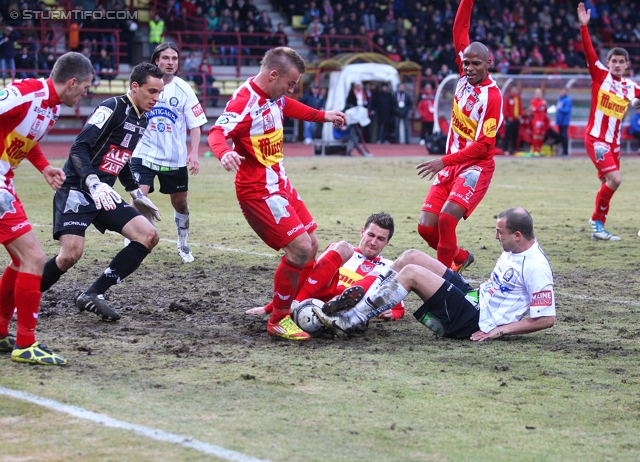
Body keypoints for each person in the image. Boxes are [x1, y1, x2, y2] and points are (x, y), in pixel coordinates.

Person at [207, 47, 347, 341]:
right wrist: (223, 153)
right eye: (291, 83)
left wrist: (323, 116)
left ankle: (280, 303)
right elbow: (217, 132)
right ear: (273, 75)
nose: (292, 90)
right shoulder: (244, 102)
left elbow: (289, 106)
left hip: (280, 184)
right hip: (258, 192)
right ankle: (279, 320)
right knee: (298, 248)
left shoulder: (274, 96)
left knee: (311, 245)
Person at [314, 207, 556, 342]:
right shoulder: (514, 248)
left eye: (499, 232)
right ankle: (361, 300)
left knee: (411, 273)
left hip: (476, 321)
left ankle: (350, 320)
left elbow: (546, 319)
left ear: (517, 235)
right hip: (475, 299)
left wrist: (501, 330)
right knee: (411, 256)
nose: (496, 237)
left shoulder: (535, 266)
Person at [39, 63, 165, 322]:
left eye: (159, 93)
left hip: (104, 193)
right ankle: (18, 297)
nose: (156, 98)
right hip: (78, 188)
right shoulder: (112, 108)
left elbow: (121, 158)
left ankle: (94, 293)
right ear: (134, 87)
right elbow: (78, 148)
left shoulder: (143, 117)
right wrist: (92, 182)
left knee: (148, 235)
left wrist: (136, 193)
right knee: (70, 255)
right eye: (152, 91)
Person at [0, 52, 95, 366]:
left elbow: (23, 138)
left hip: (6, 180)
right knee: (35, 259)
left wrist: (43, 167)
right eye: (84, 87)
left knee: (20, 259)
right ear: (71, 82)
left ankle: (1, 331)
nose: (85, 93)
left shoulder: (51, 108)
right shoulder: (26, 93)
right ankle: (26, 343)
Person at [415, 0, 504, 274]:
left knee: (445, 220)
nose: (469, 67)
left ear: (489, 63)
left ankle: (441, 284)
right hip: (452, 163)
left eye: (476, 63)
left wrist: (444, 161)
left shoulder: (493, 97)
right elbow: (459, 28)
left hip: (475, 167)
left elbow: (483, 147)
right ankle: (461, 256)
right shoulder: (463, 79)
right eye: (465, 62)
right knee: (425, 226)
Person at [245, 212, 404, 321]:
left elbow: (398, 307)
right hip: (320, 294)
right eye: (371, 235)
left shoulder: (387, 265)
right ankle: (294, 305)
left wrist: (395, 313)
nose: (373, 242)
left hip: (353, 305)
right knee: (341, 246)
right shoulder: (340, 252)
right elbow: (307, 277)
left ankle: (311, 306)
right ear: (362, 232)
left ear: (387, 242)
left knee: (385, 271)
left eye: (380, 239)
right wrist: (269, 307)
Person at [130, 43, 208, 263]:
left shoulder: (184, 89)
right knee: (137, 198)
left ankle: (183, 244)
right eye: (165, 58)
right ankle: (132, 243)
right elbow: (128, 115)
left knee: (180, 203)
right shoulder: (143, 85)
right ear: (157, 60)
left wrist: (193, 154)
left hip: (174, 158)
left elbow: (195, 125)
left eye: (174, 58)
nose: (170, 62)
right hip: (144, 154)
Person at [577, 3, 640, 241]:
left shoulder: (632, 87)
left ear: (626, 65)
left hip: (614, 144)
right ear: (608, 62)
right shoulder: (600, 75)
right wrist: (584, 27)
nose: (616, 64)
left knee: (608, 183)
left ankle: (599, 227)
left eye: (620, 61)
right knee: (615, 179)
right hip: (596, 139)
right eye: (613, 60)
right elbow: (588, 51)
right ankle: (596, 223)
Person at [344, 81, 372, 157]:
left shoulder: (364, 94)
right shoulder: (351, 94)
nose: (359, 87)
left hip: (361, 117)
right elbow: (347, 104)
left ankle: (350, 151)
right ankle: (356, 152)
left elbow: (366, 103)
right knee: (353, 134)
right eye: (357, 86)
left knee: (356, 136)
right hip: (354, 117)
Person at [501, 86, 523, 155]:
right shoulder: (508, 97)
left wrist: (520, 115)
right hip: (509, 120)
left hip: (516, 120)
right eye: (513, 89)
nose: (514, 91)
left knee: (515, 135)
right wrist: (508, 117)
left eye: (516, 89)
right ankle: (505, 149)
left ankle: (514, 149)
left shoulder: (518, 98)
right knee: (507, 135)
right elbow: (505, 108)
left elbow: (520, 108)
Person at [554, 88, 573, 156]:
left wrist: (559, 108)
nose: (562, 92)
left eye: (564, 91)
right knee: (561, 136)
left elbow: (567, 110)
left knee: (564, 136)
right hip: (560, 121)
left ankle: (565, 151)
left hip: (564, 122)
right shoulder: (560, 99)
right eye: (561, 91)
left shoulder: (568, 100)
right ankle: (563, 151)